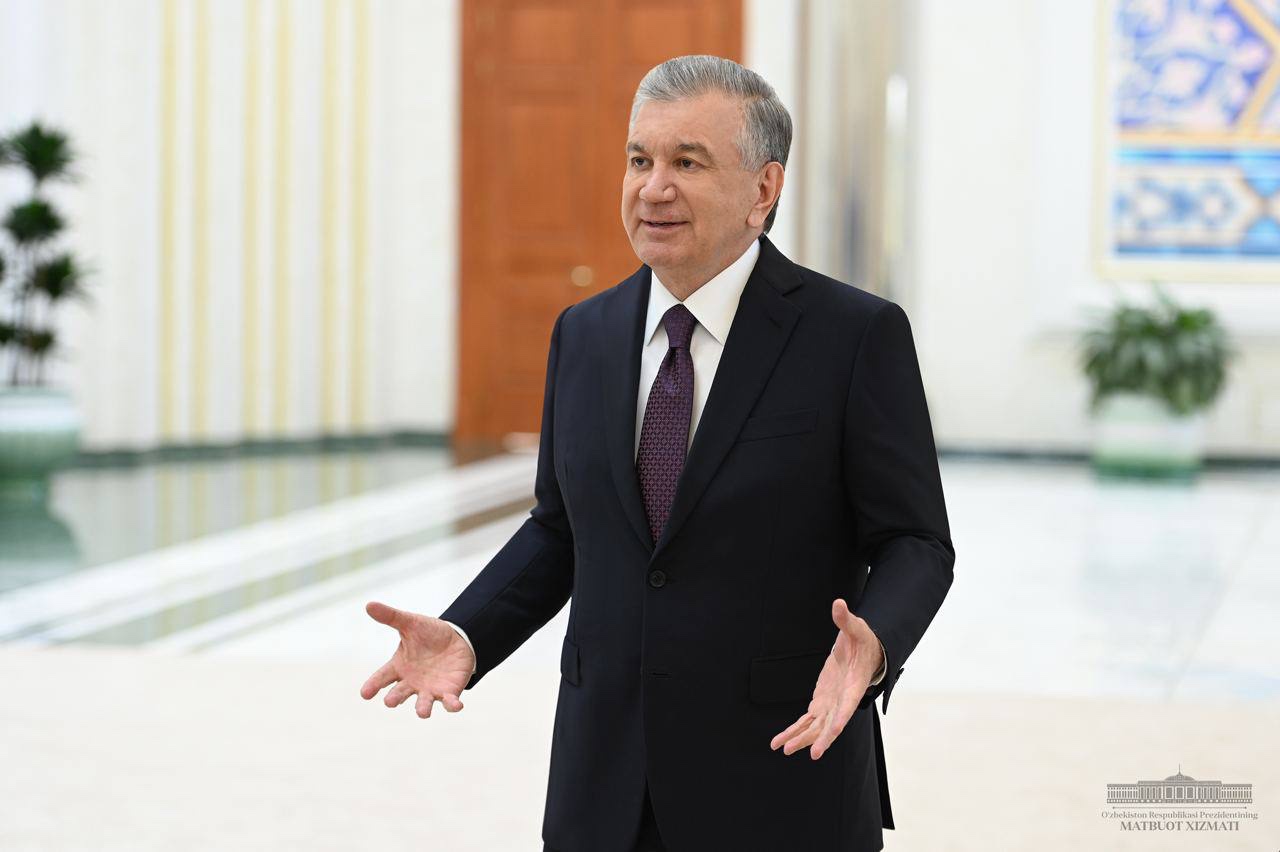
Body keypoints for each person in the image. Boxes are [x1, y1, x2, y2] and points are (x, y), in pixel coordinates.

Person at [360, 54, 954, 852]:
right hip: (604, 781)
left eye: (688, 162)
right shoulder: (584, 334)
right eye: (640, 159)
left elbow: (916, 539)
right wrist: (470, 632)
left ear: (764, 189)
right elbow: (561, 528)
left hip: (781, 774)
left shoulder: (853, 336)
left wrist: (876, 639)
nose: (653, 188)